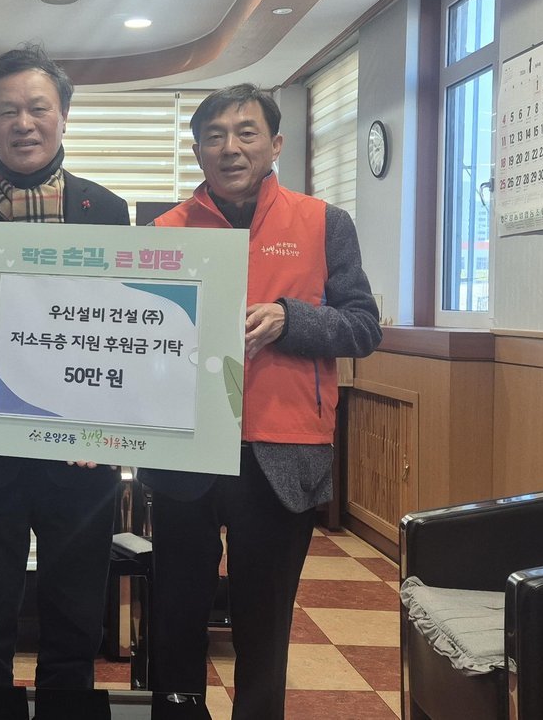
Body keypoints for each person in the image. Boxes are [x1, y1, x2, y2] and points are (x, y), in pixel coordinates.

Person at [140, 84, 382, 719]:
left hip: (283, 449)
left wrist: (289, 318)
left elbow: (363, 327)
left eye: (246, 133)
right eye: (214, 136)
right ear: (197, 150)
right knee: (175, 615)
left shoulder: (324, 222)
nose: (230, 147)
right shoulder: (164, 230)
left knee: (264, 622)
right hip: (185, 447)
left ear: (275, 144)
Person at [0, 45, 130, 688]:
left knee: (75, 612)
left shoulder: (107, 208)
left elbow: (117, 324)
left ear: (64, 115)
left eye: (39, 108)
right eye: (7, 110)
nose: (24, 123)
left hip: (79, 445)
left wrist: (108, 420)